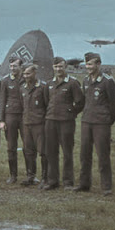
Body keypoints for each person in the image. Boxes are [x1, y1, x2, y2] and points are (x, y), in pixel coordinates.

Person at [74, 52, 115, 196]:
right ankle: (84, 183)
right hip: (87, 121)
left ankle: (106, 186)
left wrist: (107, 121)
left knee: (102, 155)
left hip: (101, 123)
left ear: (98, 64)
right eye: (87, 64)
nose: (88, 67)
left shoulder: (107, 81)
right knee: (84, 155)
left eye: (91, 64)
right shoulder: (86, 80)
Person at [43, 57, 84, 191]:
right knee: (51, 152)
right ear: (53, 68)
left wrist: (70, 113)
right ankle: (52, 180)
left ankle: (67, 181)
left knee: (67, 152)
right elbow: (46, 101)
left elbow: (80, 102)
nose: (58, 69)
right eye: (56, 67)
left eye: (61, 66)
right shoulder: (49, 83)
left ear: (65, 67)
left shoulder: (72, 83)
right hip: (50, 121)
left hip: (66, 122)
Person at [20, 64, 48, 187]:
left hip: (39, 124)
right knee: (28, 151)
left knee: (43, 151)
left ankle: (45, 178)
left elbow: (47, 105)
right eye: (24, 74)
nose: (26, 76)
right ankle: (31, 176)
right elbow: (23, 106)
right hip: (26, 124)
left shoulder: (43, 87)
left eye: (28, 73)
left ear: (35, 73)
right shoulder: (22, 88)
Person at [0, 57, 25, 184]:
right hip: (10, 116)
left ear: (21, 67)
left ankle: (31, 174)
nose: (13, 69)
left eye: (15, 66)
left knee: (29, 145)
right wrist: (1, 120)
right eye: (11, 66)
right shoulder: (5, 81)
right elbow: (1, 101)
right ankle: (13, 175)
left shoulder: (27, 79)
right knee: (11, 147)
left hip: (25, 116)